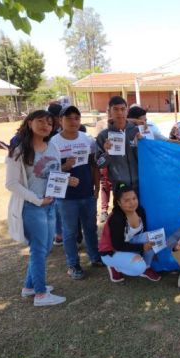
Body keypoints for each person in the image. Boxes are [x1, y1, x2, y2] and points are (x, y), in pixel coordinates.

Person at [5, 110, 78, 306]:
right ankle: (40, 294)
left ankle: (29, 287)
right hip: (32, 207)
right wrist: (37, 200)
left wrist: (66, 179)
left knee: (44, 248)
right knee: (38, 249)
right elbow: (11, 184)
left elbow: (52, 174)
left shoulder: (52, 147)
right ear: (29, 123)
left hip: (51, 205)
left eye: (49, 122)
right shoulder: (18, 151)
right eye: (40, 121)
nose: (46, 125)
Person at [50, 106, 103, 280]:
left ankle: (95, 257)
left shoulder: (88, 140)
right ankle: (73, 265)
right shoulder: (53, 143)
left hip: (87, 194)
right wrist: (64, 167)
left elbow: (94, 166)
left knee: (90, 228)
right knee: (70, 232)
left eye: (76, 118)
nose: (73, 122)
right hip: (65, 198)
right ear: (60, 120)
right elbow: (48, 172)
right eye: (69, 118)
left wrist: (96, 188)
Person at [98, 183, 161, 282]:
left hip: (129, 243)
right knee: (139, 267)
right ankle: (114, 266)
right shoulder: (116, 218)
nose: (132, 203)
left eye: (134, 198)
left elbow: (143, 233)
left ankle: (146, 267)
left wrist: (150, 250)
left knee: (155, 237)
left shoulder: (140, 211)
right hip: (111, 251)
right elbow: (117, 245)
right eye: (127, 200)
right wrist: (142, 248)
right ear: (119, 203)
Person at [96, 96, 140, 192]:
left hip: (140, 183)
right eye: (115, 109)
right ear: (109, 111)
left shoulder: (137, 131)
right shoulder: (103, 136)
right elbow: (99, 164)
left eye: (122, 109)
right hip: (120, 186)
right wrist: (107, 154)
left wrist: (140, 145)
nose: (120, 112)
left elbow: (147, 156)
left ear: (127, 111)